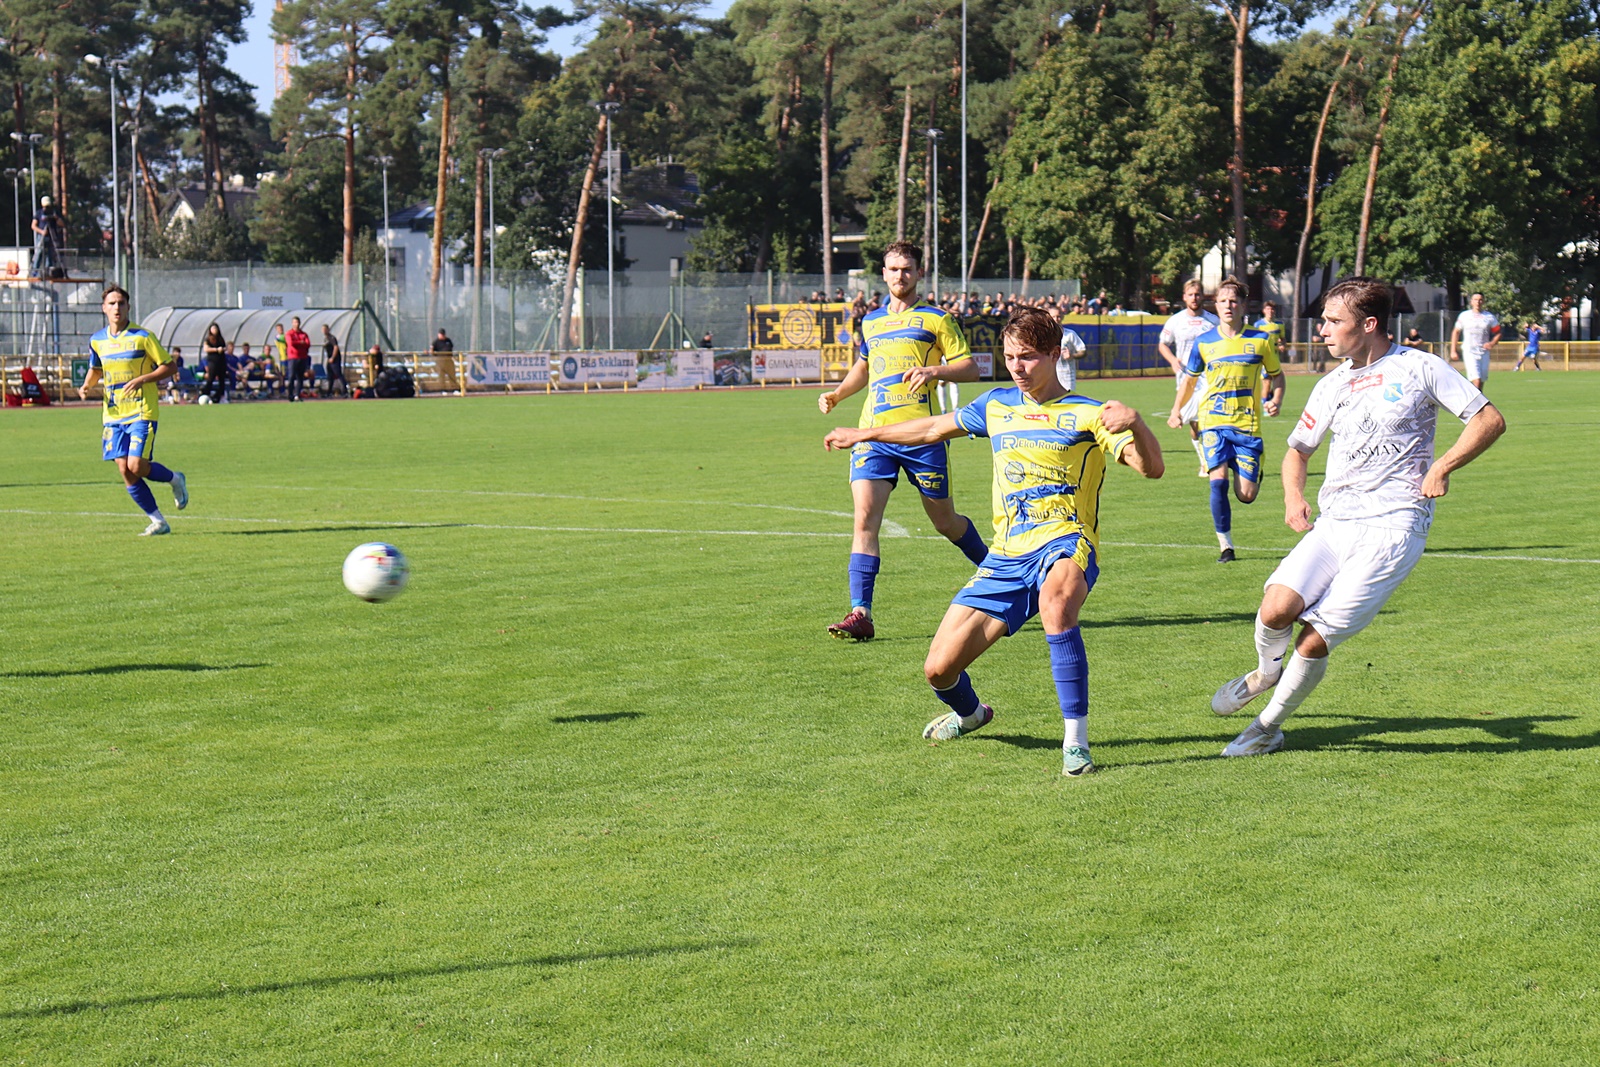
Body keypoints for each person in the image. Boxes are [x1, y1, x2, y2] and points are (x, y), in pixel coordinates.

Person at [823, 307, 1165, 775]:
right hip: (1006, 556)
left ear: (1055, 354)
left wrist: (1138, 425)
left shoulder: (1088, 414)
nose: (1017, 368)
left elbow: (1151, 468)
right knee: (938, 670)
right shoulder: (996, 404)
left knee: (1056, 606)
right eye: (1009, 357)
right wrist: (863, 433)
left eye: (1028, 357)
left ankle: (1076, 743)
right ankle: (971, 715)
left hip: (1065, 542)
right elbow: (930, 428)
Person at [1209, 277, 1505, 756]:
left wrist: (1443, 466)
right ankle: (1264, 673)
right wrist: (1292, 497)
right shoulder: (1332, 383)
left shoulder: (1420, 367)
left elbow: (1488, 419)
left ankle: (1266, 728)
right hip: (1335, 523)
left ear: (1368, 324)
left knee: (1314, 639)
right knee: (1275, 608)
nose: (1322, 330)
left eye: (1333, 321)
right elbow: (1297, 451)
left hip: (1394, 525)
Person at [815, 240, 987, 642]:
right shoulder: (871, 322)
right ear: (883, 273)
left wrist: (934, 372)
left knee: (945, 523)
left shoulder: (937, 319)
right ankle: (861, 612)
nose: (900, 276)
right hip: (872, 436)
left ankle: (1002, 572)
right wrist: (838, 394)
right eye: (893, 269)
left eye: (907, 269)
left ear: (919, 273)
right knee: (864, 520)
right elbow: (864, 367)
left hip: (923, 436)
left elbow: (970, 368)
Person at [1169, 277, 1285, 562]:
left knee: (1246, 495)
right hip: (1213, 421)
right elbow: (1188, 381)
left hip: (1247, 426)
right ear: (1216, 306)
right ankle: (1226, 546)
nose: (1228, 306)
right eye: (1222, 301)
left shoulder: (1260, 340)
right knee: (1217, 481)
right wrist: (1176, 410)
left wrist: (1276, 400)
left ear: (1243, 305)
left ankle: (1251, 470)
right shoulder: (1204, 342)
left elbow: (1277, 375)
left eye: (1233, 301)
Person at [77, 286, 189, 535]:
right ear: (104, 308)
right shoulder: (97, 340)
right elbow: (96, 369)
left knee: (136, 466)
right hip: (113, 414)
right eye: (112, 303)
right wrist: (86, 385)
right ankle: (158, 521)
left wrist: (142, 379)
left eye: (121, 303)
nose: (117, 307)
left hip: (141, 411)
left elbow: (169, 367)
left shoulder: (142, 337)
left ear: (128, 307)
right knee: (124, 469)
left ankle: (175, 479)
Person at [1159, 279, 1221, 476]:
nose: (1194, 298)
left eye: (1197, 294)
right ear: (1184, 297)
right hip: (1186, 378)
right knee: (1194, 424)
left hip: (1209, 376)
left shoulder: (1213, 321)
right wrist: (1172, 360)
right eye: (1191, 294)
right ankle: (1203, 459)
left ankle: (1210, 461)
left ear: (1202, 296)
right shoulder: (1175, 321)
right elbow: (1163, 344)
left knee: (1207, 418)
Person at [1449, 291, 1501, 391]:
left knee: (1481, 381)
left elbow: (1498, 332)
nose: (1478, 302)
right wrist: (1453, 350)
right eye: (1475, 300)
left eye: (1480, 300)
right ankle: (1475, 400)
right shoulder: (1464, 316)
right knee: (1476, 380)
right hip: (1470, 350)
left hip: (1484, 352)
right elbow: (1456, 332)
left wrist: (1492, 343)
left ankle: (1476, 399)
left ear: (1483, 301)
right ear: (1471, 302)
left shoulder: (1489, 317)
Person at [31, 195, 65, 276]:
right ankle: (35, 271)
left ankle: (48, 271)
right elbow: (33, 226)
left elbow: (62, 224)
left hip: (52, 236)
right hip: (41, 237)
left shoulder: (54, 212)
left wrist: (56, 218)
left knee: (51, 254)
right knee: (39, 253)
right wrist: (42, 232)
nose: (47, 208)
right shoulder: (39, 213)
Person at [284, 316, 312, 401]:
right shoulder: (289, 333)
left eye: (297, 322)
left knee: (300, 377)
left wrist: (301, 344)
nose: (296, 324)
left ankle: (297, 395)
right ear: (292, 323)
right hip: (293, 357)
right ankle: (290, 395)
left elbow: (308, 344)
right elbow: (291, 343)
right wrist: (301, 343)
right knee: (291, 376)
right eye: (295, 322)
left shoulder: (304, 334)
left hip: (302, 357)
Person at [200, 323, 228, 403]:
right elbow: (206, 349)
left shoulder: (221, 339)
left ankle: (221, 396)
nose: (215, 330)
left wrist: (223, 349)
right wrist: (216, 349)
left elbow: (224, 347)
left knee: (222, 379)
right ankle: (205, 394)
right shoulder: (208, 339)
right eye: (213, 328)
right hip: (213, 361)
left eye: (216, 328)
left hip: (221, 361)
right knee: (211, 378)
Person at [1057, 322, 1088, 393]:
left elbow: (1083, 351)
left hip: (1066, 376)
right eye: (1053, 317)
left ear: (1062, 317)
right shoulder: (1045, 335)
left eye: (1058, 317)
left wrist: (1072, 356)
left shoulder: (1070, 334)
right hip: (1049, 375)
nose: (1056, 319)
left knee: (1067, 398)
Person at [321, 324, 347, 396]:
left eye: (325, 329)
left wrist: (333, 357)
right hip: (329, 359)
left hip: (334, 359)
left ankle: (345, 391)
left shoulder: (331, 338)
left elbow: (336, 347)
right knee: (330, 376)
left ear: (328, 330)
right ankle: (329, 392)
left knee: (338, 374)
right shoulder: (325, 338)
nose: (324, 331)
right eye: (323, 329)